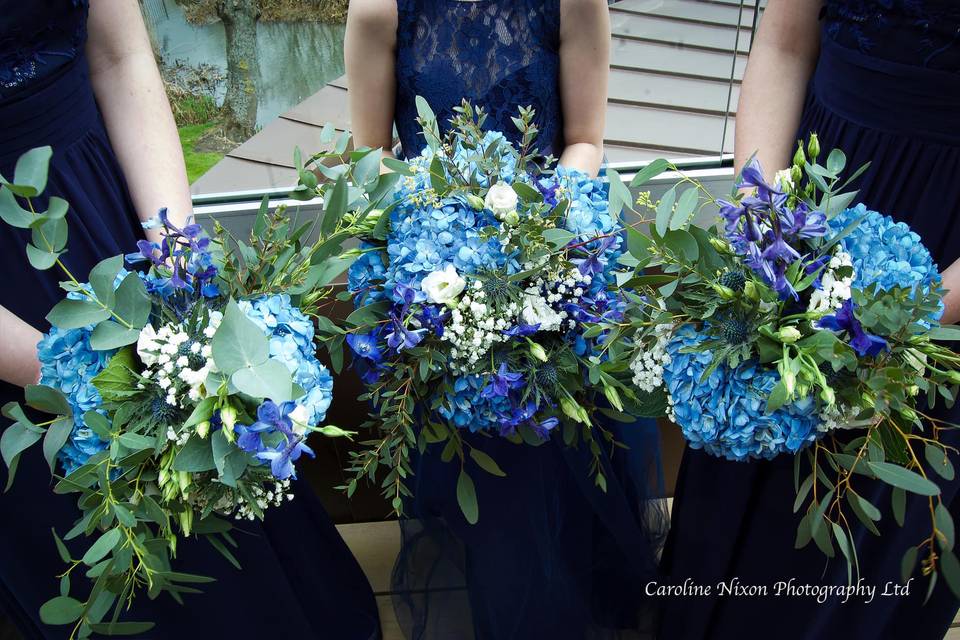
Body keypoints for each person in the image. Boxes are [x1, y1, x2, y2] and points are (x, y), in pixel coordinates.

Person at [0, 2, 379, 638]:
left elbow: (118, 57)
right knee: (105, 536)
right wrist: (67, 368)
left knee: (223, 480)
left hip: (107, 218)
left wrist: (177, 257)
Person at [345, 1, 668, 638]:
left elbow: (584, 141)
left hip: (550, 269)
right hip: (440, 284)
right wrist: (442, 228)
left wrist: (533, 233)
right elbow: (369, 156)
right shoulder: (380, 8)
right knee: (489, 503)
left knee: (565, 481)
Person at [659, 1, 960, 638]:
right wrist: (762, 216)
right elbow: (785, 43)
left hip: (941, 265)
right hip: (804, 211)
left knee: (851, 538)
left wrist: (902, 311)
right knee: (737, 473)